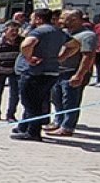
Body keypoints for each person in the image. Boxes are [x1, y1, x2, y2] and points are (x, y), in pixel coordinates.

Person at [11, 9, 80, 141]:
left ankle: (33, 132)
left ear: (38, 19)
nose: (30, 21)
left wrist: (29, 58)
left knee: (30, 102)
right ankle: (24, 127)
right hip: (51, 72)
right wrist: (60, 57)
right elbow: (75, 45)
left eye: (32, 18)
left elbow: (27, 44)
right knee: (38, 100)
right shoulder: (59, 32)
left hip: (34, 72)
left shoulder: (39, 31)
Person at [45, 9, 97, 137]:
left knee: (71, 101)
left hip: (73, 72)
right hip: (59, 72)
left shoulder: (87, 36)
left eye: (63, 18)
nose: (60, 21)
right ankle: (58, 121)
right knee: (57, 99)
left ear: (74, 20)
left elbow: (88, 57)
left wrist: (79, 75)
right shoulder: (64, 33)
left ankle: (67, 127)